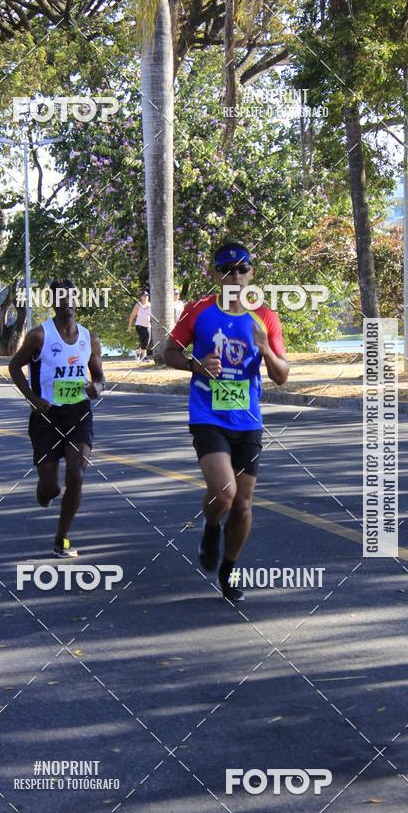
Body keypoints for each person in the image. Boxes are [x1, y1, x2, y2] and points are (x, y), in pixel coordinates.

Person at [163, 242, 289, 603]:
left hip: (247, 420)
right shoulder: (199, 311)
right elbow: (167, 352)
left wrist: (266, 350)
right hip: (208, 415)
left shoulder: (265, 317)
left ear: (251, 273)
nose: (235, 276)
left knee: (244, 505)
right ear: (216, 274)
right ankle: (211, 526)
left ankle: (229, 569)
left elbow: (282, 376)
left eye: (242, 269)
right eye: (227, 269)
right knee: (225, 492)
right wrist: (196, 365)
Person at [9, 279, 105, 557]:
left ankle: (61, 539)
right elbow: (14, 366)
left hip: (78, 414)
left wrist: (96, 388)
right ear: (52, 302)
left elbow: (100, 377)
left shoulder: (89, 338)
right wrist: (33, 398)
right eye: (60, 297)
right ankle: (45, 492)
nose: (67, 301)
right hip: (47, 416)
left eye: (71, 296)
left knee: (76, 475)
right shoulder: (39, 336)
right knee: (52, 488)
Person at [127, 290, 151, 361]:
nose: (146, 297)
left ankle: (138, 351)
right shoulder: (138, 305)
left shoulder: (150, 305)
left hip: (148, 325)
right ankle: (144, 357)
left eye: (147, 296)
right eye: (144, 296)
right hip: (139, 325)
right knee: (144, 341)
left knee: (147, 342)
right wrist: (129, 327)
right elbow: (132, 316)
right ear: (141, 297)